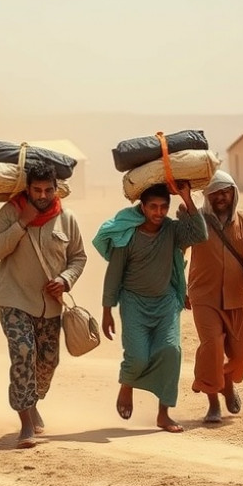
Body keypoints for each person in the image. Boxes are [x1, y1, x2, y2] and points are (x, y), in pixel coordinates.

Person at [0, 161, 87, 449]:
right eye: (36, 190)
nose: (42, 196)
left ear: (57, 190)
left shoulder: (67, 218)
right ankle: (25, 421)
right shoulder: (9, 212)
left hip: (50, 306)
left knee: (47, 362)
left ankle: (33, 400)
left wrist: (65, 280)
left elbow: (78, 257)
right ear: (28, 189)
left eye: (47, 190)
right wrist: (22, 222)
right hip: (13, 298)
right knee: (23, 351)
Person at [93, 181, 207, 433]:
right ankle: (127, 385)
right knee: (138, 356)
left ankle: (164, 413)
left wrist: (186, 198)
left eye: (163, 207)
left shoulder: (171, 230)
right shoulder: (128, 235)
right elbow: (114, 273)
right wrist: (106, 310)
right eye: (152, 207)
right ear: (141, 207)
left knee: (171, 351)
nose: (158, 213)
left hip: (166, 302)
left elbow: (200, 234)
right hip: (134, 302)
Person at [187, 171, 243, 423]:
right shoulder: (196, 221)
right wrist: (179, 285)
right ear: (206, 196)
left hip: (236, 296)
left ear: (234, 192)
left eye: (226, 191)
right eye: (215, 192)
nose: (221, 196)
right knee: (211, 347)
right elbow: (176, 252)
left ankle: (227, 383)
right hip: (203, 296)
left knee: (241, 354)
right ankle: (213, 403)